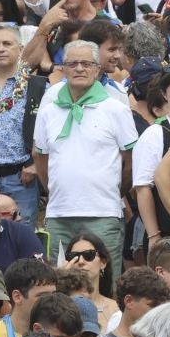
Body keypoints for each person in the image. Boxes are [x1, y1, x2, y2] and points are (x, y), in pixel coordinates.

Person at [33, 39, 138, 272]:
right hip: (59, 214)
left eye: (86, 63)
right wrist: (55, 190)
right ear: (63, 68)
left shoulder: (116, 109)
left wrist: (117, 190)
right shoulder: (48, 110)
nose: (79, 68)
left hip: (103, 213)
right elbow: (40, 157)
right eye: (73, 64)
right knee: (58, 285)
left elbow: (131, 160)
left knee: (105, 283)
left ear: (97, 69)